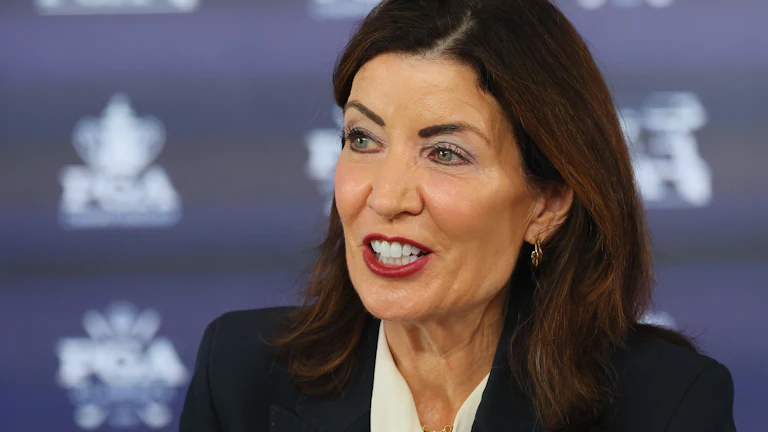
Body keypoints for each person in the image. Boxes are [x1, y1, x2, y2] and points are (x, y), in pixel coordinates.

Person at [179, 0, 736, 431]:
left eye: (445, 153)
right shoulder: (238, 375)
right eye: (363, 138)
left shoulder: (667, 406)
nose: (386, 197)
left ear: (546, 203)